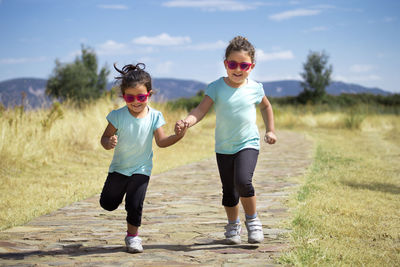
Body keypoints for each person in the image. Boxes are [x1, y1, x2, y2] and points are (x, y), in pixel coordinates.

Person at [176, 36, 277, 244]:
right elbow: (200, 110)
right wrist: (188, 121)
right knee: (229, 190)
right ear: (225, 64)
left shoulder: (255, 88)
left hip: (248, 143)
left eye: (244, 65)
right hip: (224, 147)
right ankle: (233, 225)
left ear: (252, 66)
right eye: (232, 64)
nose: (238, 69)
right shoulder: (216, 87)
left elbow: (266, 106)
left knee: (243, 181)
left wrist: (270, 130)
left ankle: (252, 220)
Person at [100, 63, 188, 253]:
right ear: (124, 96)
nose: (136, 101)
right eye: (130, 97)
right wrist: (108, 142)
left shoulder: (155, 116)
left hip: (142, 169)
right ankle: (120, 196)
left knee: (135, 203)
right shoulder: (117, 116)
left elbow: (162, 141)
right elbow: (104, 138)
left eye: (141, 97)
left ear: (149, 94)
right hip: (119, 169)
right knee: (107, 204)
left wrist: (178, 136)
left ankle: (133, 237)